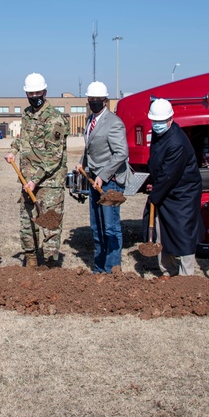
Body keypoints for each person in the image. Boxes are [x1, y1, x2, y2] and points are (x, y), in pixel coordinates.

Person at [5, 73, 68, 268]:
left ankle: (49, 263)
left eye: (37, 93)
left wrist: (36, 179)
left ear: (45, 92)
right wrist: (13, 150)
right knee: (27, 223)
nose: (34, 96)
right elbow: (23, 137)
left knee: (50, 224)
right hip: (27, 180)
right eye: (30, 93)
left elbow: (54, 156)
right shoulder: (27, 114)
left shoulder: (55, 119)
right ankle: (31, 258)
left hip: (49, 183)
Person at [146, 98, 203, 277]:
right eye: (154, 122)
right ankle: (168, 270)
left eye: (160, 122)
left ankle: (187, 275)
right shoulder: (160, 134)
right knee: (163, 230)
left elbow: (169, 174)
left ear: (170, 120)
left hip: (183, 193)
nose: (157, 125)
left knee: (183, 232)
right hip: (166, 188)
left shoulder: (177, 142)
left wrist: (155, 194)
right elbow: (157, 163)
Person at [79, 81, 128, 274]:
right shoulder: (90, 120)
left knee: (110, 228)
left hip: (110, 183)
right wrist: (82, 165)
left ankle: (112, 270)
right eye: (91, 100)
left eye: (97, 100)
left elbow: (121, 153)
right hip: (94, 182)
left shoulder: (114, 123)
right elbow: (90, 148)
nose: (94, 103)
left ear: (105, 101)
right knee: (97, 228)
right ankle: (99, 269)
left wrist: (104, 175)